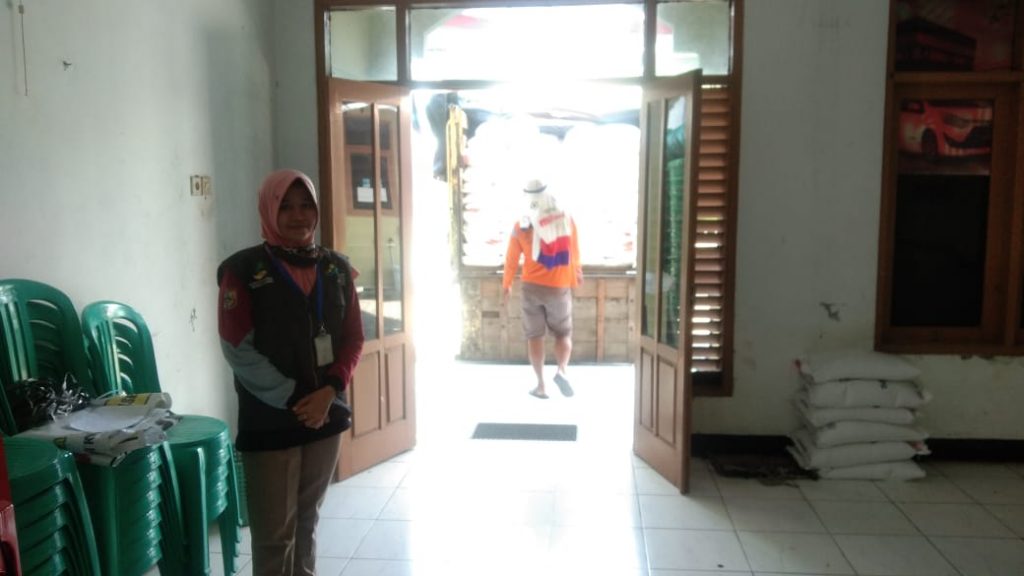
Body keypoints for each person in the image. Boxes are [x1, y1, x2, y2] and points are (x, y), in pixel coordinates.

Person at [217, 169, 364, 576]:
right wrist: (298, 399)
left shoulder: (336, 269)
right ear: (269, 210)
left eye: (306, 205)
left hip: (325, 415)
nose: (299, 216)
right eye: (286, 206)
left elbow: (353, 338)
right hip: (271, 420)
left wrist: (329, 391)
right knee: (273, 536)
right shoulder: (243, 270)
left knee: (306, 523)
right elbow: (237, 348)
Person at [502, 178, 582, 399]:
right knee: (563, 333)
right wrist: (577, 271)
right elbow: (574, 250)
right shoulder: (566, 218)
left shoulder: (521, 225)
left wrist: (507, 284)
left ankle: (541, 386)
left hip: (531, 287)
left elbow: (511, 259)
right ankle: (562, 371)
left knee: (535, 336)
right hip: (559, 286)